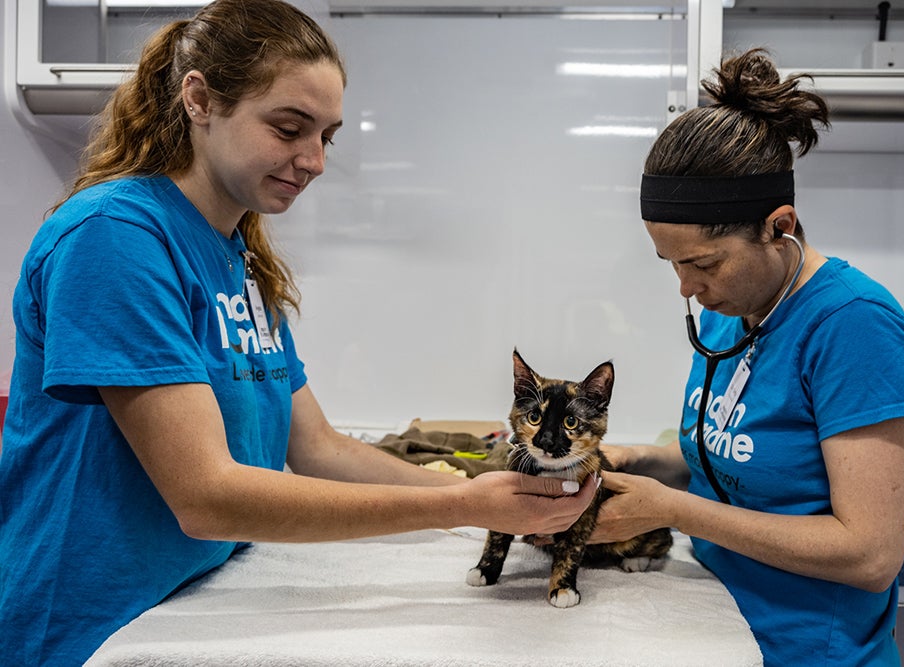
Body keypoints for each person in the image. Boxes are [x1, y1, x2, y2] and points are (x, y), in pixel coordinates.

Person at [0, 1, 598, 664]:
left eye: (328, 136)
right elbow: (206, 495)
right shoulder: (115, 238)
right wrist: (458, 503)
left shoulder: (242, 262)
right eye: (290, 127)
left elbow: (317, 447)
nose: (313, 159)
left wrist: (495, 496)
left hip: (188, 612)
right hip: (90, 630)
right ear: (199, 99)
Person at [595, 49, 904, 666]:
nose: (686, 289)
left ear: (779, 227)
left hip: (808, 651)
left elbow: (870, 555)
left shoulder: (856, 328)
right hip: (718, 631)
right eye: (672, 264)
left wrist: (672, 509)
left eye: (702, 263)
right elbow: (740, 458)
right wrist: (644, 462)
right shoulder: (733, 307)